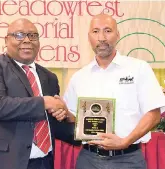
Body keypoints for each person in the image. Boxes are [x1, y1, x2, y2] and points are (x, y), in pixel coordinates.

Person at [63, 14, 165, 169]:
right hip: (88, 159)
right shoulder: (79, 77)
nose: (102, 37)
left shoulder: (139, 68)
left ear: (117, 35)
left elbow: (154, 114)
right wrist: (62, 111)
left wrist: (125, 141)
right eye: (95, 31)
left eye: (108, 31)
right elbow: (73, 117)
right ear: (89, 37)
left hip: (128, 159)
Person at [0, 18, 77, 169]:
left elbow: (52, 124)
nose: (27, 40)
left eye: (33, 35)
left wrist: (71, 120)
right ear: (6, 40)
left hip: (44, 162)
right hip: (3, 162)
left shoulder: (49, 77)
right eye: (19, 35)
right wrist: (44, 102)